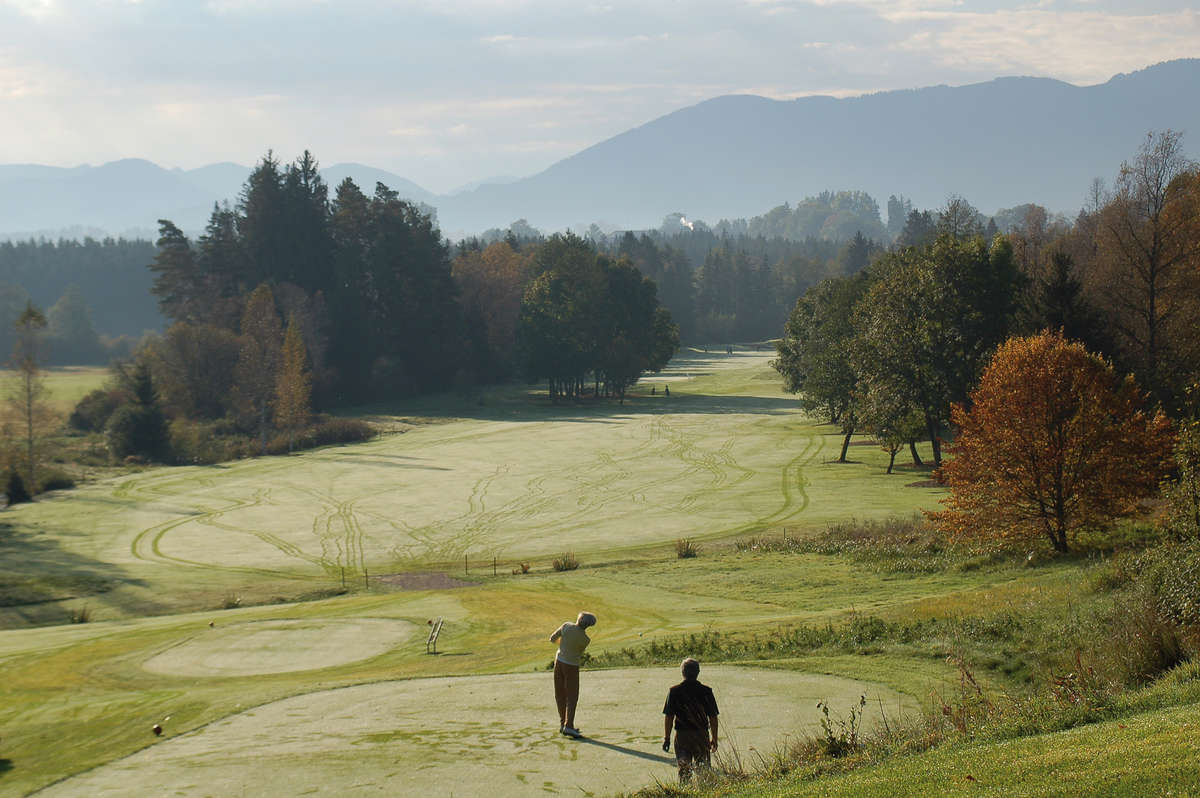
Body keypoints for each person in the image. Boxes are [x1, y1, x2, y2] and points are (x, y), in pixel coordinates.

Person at [662, 657, 719, 782]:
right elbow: (713, 717)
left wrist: (667, 738)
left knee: (684, 772)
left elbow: (669, 717)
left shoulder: (674, 691)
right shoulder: (706, 691)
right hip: (701, 736)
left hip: (682, 737)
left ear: (683, 672)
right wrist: (714, 738)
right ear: (698, 672)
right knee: (704, 773)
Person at [550, 611, 596, 737]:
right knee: (571, 696)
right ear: (588, 625)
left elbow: (552, 639)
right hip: (572, 666)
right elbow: (578, 651)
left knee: (560, 693)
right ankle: (568, 725)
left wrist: (563, 645)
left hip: (558, 662)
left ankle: (562, 724)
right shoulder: (586, 640)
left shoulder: (566, 626)